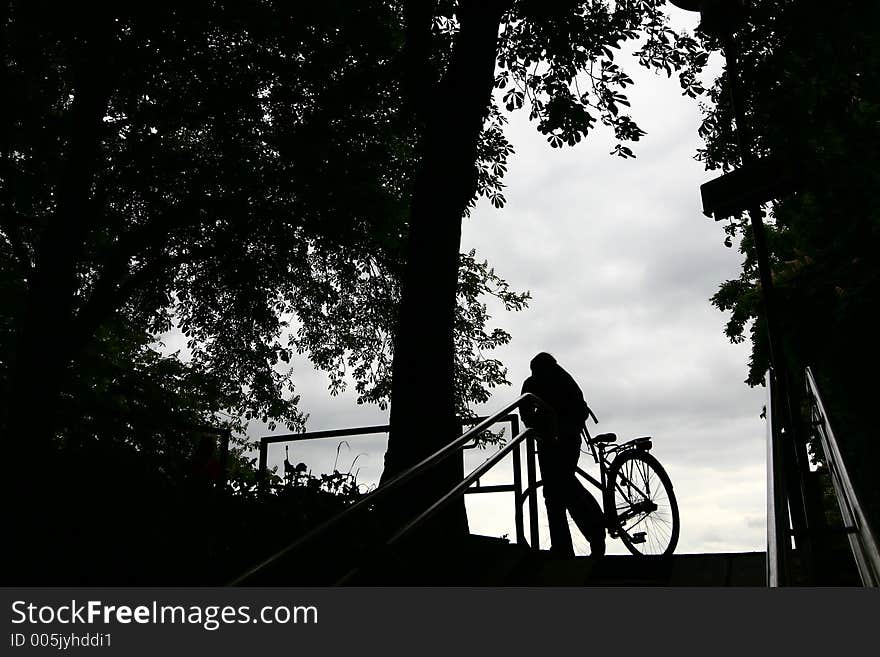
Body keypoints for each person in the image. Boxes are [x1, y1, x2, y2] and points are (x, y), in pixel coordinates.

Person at [520, 352, 606, 557]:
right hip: (565, 440)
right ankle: (589, 534)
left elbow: (525, 412)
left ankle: (581, 538)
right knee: (562, 489)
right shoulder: (563, 377)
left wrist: (540, 427)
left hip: (550, 442)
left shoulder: (533, 383)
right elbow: (580, 409)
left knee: (557, 492)